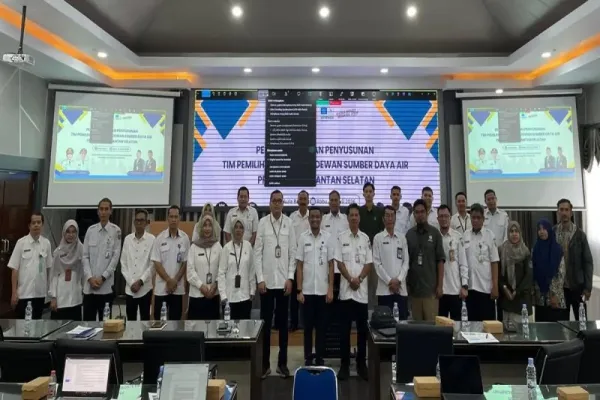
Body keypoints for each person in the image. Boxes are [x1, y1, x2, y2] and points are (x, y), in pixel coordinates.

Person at [254, 190, 296, 378]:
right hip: (267, 283)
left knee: (283, 326)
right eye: (274, 201)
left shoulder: (289, 223)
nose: (277, 204)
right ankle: (265, 364)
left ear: (283, 203)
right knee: (265, 325)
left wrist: (290, 278)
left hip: (283, 283)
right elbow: (257, 253)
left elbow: (293, 252)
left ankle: (282, 363)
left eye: (280, 201)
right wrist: (260, 279)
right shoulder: (263, 223)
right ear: (270, 203)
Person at [336, 203, 372, 381]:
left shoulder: (365, 239)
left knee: (362, 331)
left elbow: (368, 264)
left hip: (361, 294)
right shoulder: (341, 237)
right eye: (351, 215)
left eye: (357, 215)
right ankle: (344, 365)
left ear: (359, 218)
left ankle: (361, 364)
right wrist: (351, 279)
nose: (354, 218)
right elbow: (339, 263)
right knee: (344, 331)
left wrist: (360, 279)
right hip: (346, 292)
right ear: (347, 217)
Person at [295, 207, 335, 366]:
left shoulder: (328, 237)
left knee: (321, 327)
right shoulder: (303, 238)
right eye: (312, 217)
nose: (315, 219)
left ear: (321, 218)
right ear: (309, 219)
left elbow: (331, 265)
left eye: (317, 217)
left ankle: (319, 357)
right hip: (307, 291)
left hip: (323, 291)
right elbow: (299, 265)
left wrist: (330, 289)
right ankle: (308, 357)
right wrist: (299, 290)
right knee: (307, 328)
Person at [82, 198, 122, 321]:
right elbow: (85, 256)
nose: (103, 212)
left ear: (111, 211)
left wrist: (103, 277)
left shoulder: (116, 231)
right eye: (101, 209)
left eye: (106, 209)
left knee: (105, 324)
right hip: (89, 288)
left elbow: (115, 258)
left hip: (106, 288)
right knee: (88, 324)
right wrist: (90, 278)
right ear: (98, 211)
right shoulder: (91, 230)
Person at [405, 199, 445, 321]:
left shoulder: (435, 233)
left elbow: (440, 261)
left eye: (422, 211)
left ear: (427, 213)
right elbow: (406, 262)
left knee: (431, 328)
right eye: (417, 212)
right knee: (417, 328)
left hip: (431, 291)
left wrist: (440, 286)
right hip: (414, 291)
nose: (420, 215)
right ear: (414, 215)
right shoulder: (409, 235)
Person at [8, 212, 52, 319]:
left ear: (42, 225)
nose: (36, 225)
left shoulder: (46, 243)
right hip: (24, 293)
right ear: (29, 225)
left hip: (40, 294)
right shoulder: (21, 243)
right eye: (33, 223)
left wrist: (50, 292)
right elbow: (14, 269)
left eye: (39, 222)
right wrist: (14, 293)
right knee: (22, 324)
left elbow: (48, 268)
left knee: (37, 324)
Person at [555, 198, 593, 320]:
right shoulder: (553, 233)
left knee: (582, 322)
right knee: (562, 324)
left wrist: (587, 287)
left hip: (577, 286)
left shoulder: (580, 235)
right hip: (560, 288)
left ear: (571, 212)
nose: (564, 213)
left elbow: (588, 262)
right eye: (561, 210)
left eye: (567, 210)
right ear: (558, 212)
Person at [151, 205, 190, 321]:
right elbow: (156, 263)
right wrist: (169, 280)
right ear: (167, 218)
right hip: (161, 289)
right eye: (171, 217)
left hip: (177, 289)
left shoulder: (185, 239)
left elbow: (185, 263)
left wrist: (175, 281)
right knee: (158, 323)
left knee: (175, 323)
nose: (173, 219)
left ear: (179, 218)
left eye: (176, 217)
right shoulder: (159, 238)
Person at [463, 203, 499, 321]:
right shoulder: (465, 235)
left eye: (478, 218)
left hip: (485, 288)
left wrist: (495, 286)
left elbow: (494, 262)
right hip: (470, 288)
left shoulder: (489, 235)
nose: (476, 220)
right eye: (473, 217)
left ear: (483, 219)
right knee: (471, 325)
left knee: (487, 325)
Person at [373, 206, 409, 319]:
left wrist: (398, 280)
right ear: (383, 219)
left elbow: (406, 262)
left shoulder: (402, 238)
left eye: (392, 215)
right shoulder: (378, 238)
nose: (389, 218)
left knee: (402, 324)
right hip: (384, 291)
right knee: (385, 325)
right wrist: (390, 281)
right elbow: (377, 263)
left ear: (395, 218)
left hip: (400, 290)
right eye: (387, 215)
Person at [120, 209, 155, 321]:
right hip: (130, 288)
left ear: (146, 222)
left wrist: (140, 282)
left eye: (142, 220)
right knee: (130, 321)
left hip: (145, 288)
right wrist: (131, 282)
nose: (139, 222)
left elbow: (152, 265)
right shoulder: (127, 239)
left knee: (145, 321)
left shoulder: (152, 239)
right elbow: (123, 263)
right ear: (134, 222)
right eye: (137, 220)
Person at [218, 218, 255, 319]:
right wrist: (223, 295)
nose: (238, 230)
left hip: (245, 296)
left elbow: (251, 270)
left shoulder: (248, 246)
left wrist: (252, 290)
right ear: (232, 230)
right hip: (229, 297)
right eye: (236, 227)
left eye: (241, 227)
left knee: (244, 326)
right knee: (229, 327)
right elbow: (221, 273)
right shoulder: (226, 248)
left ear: (244, 230)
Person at [187, 214, 222, 320]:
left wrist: (215, 286)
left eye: (209, 225)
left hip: (213, 295)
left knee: (213, 328)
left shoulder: (218, 246)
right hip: (197, 295)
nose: (207, 228)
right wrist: (201, 286)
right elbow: (190, 271)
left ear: (213, 228)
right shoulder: (194, 247)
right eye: (204, 225)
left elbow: (222, 269)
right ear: (200, 228)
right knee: (196, 328)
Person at [533, 219, 567, 322]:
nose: (541, 232)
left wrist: (554, 295)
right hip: (540, 299)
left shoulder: (557, 250)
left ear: (549, 230)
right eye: (539, 229)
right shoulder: (535, 249)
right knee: (541, 328)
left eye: (544, 229)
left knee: (556, 328)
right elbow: (533, 272)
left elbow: (560, 274)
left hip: (554, 299)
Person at [437, 205, 468, 321]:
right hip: (440, 291)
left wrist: (464, 285)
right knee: (440, 326)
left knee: (457, 326)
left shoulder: (458, 237)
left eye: (446, 216)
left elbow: (463, 263)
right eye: (441, 216)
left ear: (450, 217)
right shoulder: (435, 237)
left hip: (455, 290)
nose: (443, 219)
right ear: (437, 219)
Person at [498, 221, 532, 326]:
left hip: (522, 299)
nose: (514, 234)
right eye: (511, 231)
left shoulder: (525, 251)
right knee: (507, 332)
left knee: (523, 332)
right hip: (507, 299)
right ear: (508, 233)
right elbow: (499, 275)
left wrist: (516, 291)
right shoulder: (502, 250)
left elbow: (529, 275)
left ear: (520, 233)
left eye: (516, 231)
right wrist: (505, 288)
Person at [49, 220, 84, 321]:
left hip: (76, 298)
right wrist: (53, 297)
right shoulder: (57, 252)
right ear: (64, 233)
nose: (71, 235)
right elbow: (53, 276)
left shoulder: (82, 250)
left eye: (73, 232)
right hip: (61, 299)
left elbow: (84, 273)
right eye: (68, 232)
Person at [289, 190, 310, 330]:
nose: (302, 201)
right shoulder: (292, 217)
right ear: (297, 201)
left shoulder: (312, 216)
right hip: (295, 261)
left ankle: (307, 323)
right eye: (300, 199)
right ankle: (294, 323)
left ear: (308, 201)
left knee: (307, 292)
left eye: (304, 199)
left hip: (309, 261)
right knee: (294, 294)